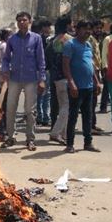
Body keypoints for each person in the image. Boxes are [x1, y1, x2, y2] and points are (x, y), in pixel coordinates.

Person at [1, 11, 46, 151]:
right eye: (19, 20)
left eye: (24, 20)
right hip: (14, 78)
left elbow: (41, 60)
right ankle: (10, 137)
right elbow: (6, 58)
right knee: (10, 108)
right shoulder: (12, 39)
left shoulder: (36, 38)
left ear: (29, 22)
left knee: (30, 111)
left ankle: (30, 139)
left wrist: (42, 79)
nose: (22, 22)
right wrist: (5, 69)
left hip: (31, 79)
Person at [63, 21, 102, 153]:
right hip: (76, 87)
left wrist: (96, 81)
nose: (88, 32)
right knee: (73, 116)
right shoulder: (70, 44)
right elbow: (66, 66)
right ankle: (69, 144)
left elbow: (90, 65)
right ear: (77, 30)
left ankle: (88, 143)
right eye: (85, 29)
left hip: (89, 87)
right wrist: (71, 83)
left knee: (88, 116)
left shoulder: (88, 45)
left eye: (89, 29)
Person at [47, 16, 73, 145]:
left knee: (63, 106)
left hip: (56, 78)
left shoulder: (52, 40)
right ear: (67, 25)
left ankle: (64, 134)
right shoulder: (69, 40)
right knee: (66, 107)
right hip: (66, 78)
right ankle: (55, 133)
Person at [98, 22, 112, 114]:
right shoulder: (107, 39)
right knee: (107, 88)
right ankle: (103, 107)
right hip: (108, 67)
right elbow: (104, 53)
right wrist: (105, 67)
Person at [36, 20, 53, 126]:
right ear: (43, 28)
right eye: (48, 26)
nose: (49, 28)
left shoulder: (51, 39)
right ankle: (40, 116)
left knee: (47, 94)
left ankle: (45, 117)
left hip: (48, 68)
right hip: (40, 69)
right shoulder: (39, 39)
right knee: (41, 94)